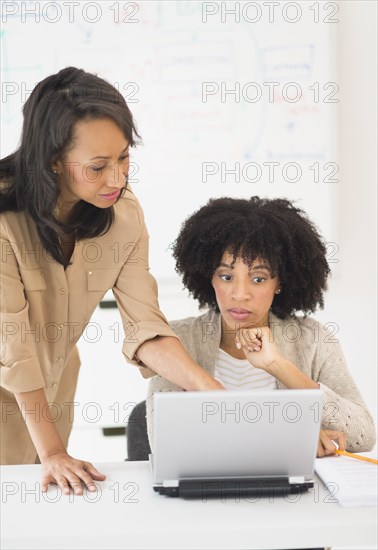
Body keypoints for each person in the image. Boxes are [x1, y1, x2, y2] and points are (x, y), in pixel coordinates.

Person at [0, 67, 223, 492]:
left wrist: (210, 390)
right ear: (52, 161)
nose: (117, 179)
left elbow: (146, 326)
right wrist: (52, 452)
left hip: (50, 395)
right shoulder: (5, 219)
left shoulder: (124, 215)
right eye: (98, 167)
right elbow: (13, 345)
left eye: (124, 158)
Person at [147, 196, 376, 456]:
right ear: (209, 276)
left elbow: (363, 436)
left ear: (280, 282)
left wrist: (277, 365)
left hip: (296, 492)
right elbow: (164, 442)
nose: (240, 293)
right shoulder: (177, 340)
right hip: (207, 493)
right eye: (226, 276)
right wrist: (292, 439)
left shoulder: (313, 338)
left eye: (258, 278)